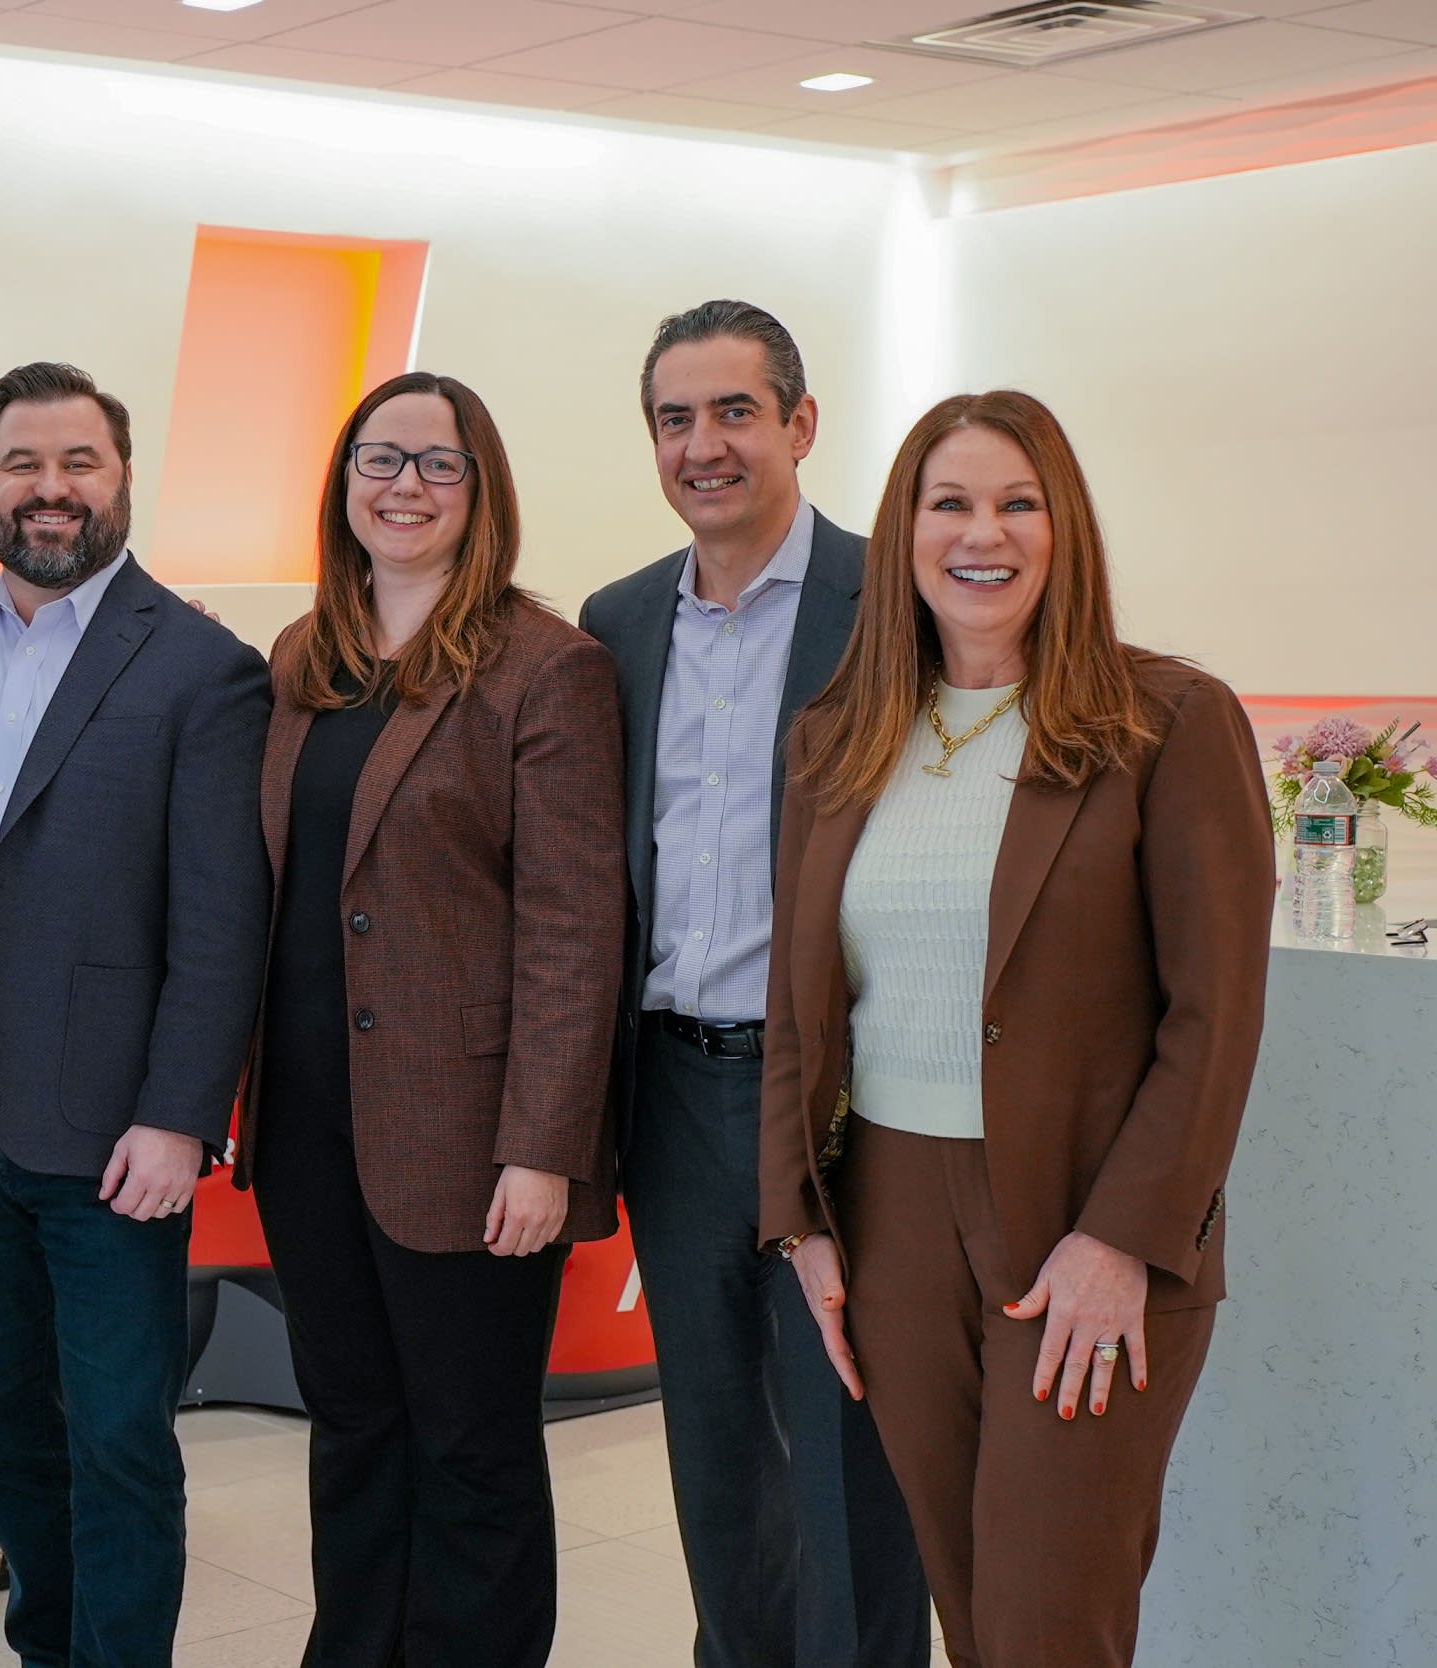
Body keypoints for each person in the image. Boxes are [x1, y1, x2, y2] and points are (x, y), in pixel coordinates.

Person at [762, 390, 1272, 1667]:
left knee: (1052, 1626)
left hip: (1088, 1225)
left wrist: (1126, 1241)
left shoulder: (1167, 723)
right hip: (892, 1226)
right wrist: (801, 1222)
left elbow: (1214, 1018)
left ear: (1063, 530)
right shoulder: (840, 737)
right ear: (904, 533)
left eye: (1016, 502)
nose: (979, 533)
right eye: (948, 503)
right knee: (974, 1614)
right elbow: (797, 1003)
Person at [238, 370, 625, 1667]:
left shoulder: (545, 668)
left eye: (438, 464)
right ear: (344, 484)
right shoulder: (307, 664)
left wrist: (542, 1146)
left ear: (482, 492)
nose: (404, 486)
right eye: (379, 460)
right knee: (352, 1428)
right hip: (307, 1131)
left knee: (472, 1452)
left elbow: (574, 930)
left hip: (466, 1140)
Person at [576, 299, 929, 1668]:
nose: (704, 446)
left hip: (836, 1104)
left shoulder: (886, 601)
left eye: (734, 412)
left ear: (800, 423)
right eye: (676, 419)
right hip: (670, 1094)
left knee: (849, 1450)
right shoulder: (616, 624)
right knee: (715, 1456)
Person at [0, 362, 269, 1667]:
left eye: (78, 464)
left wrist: (180, 1120)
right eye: (22, 465)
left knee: (116, 1440)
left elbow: (224, 925)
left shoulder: (202, 669)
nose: (49, 491)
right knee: (3, 1424)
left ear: (122, 479)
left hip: (116, 1138)